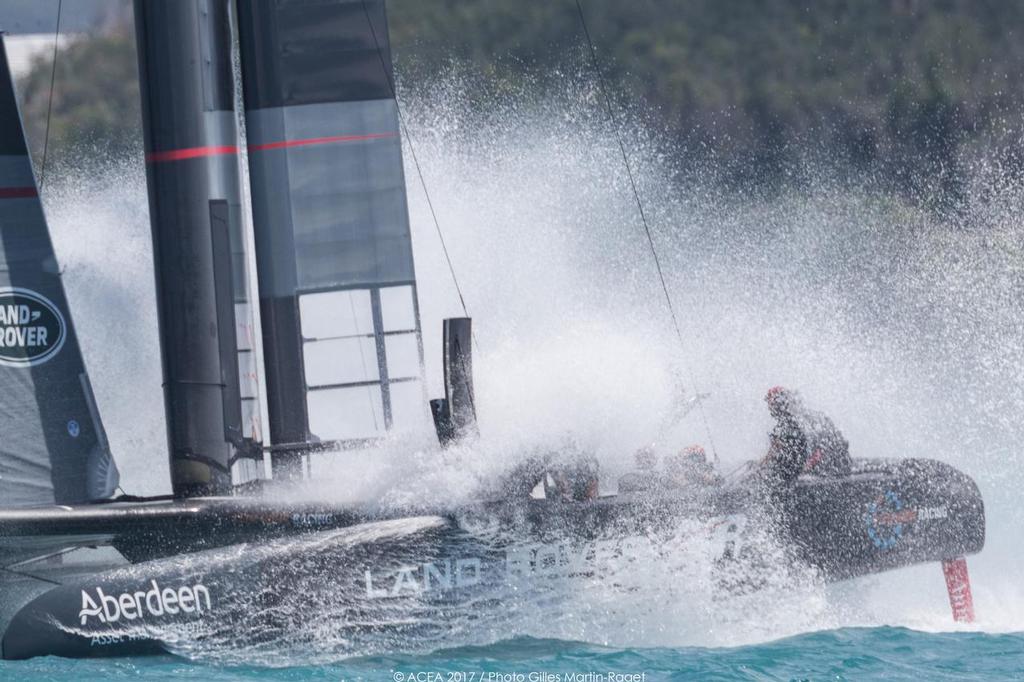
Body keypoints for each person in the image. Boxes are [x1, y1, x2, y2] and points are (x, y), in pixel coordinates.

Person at [760, 386, 852, 486]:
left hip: (832, 467)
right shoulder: (793, 422)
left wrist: (803, 468)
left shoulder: (812, 421)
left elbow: (821, 449)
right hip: (820, 465)